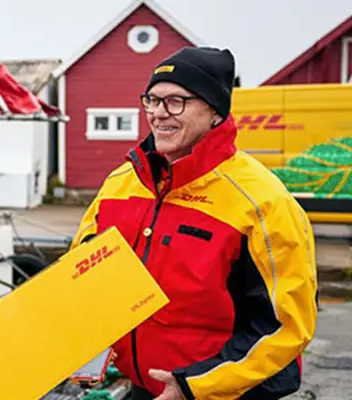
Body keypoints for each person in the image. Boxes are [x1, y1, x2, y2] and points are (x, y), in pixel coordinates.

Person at [71, 47, 318, 400]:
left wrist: (194, 386)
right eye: (152, 100)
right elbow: (81, 278)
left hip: (224, 391)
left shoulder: (262, 201)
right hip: (146, 388)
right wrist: (83, 354)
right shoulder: (121, 182)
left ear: (215, 112)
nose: (158, 114)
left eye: (175, 102)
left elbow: (286, 326)